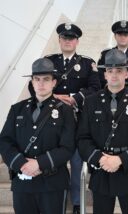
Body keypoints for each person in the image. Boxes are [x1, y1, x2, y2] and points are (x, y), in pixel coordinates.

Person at [28, 23, 101, 214]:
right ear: (59, 40)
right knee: (52, 158)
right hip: (50, 120)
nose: (68, 41)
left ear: (77, 41)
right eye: (64, 38)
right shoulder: (48, 61)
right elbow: (33, 85)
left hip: (76, 119)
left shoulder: (87, 63)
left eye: (71, 38)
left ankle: (76, 202)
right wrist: (56, 97)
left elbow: (95, 88)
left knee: (77, 161)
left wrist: (75, 98)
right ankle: (53, 195)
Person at [77, 49, 128, 214]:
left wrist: (121, 160)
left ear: (126, 74)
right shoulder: (91, 102)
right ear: (104, 74)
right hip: (101, 170)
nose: (114, 75)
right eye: (110, 71)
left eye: (119, 70)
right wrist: (100, 159)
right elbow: (82, 138)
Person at [0, 58, 76, 214]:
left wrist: (39, 163)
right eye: (37, 79)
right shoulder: (17, 109)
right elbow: (5, 142)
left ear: (54, 82)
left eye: (46, 79)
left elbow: (68, 147)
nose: (41, 84)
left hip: (53, 184)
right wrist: (21, 164)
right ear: (32, 82)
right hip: (23, 182)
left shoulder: (66, 112)